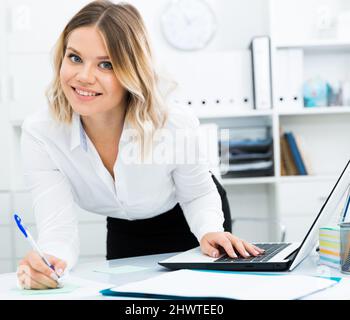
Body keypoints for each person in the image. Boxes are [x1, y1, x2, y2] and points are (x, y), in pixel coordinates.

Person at [16, 0, 264, 290]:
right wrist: (50, 263)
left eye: (105, 64)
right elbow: (57, 226)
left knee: (197, 297)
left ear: (131, 71)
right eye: (74, 58)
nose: (83, 76)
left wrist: (210, 230)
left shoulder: (173, 123)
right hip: (124, 223)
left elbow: (196, 195)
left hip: (187, 214)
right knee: (129, 298)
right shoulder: (41, 134)